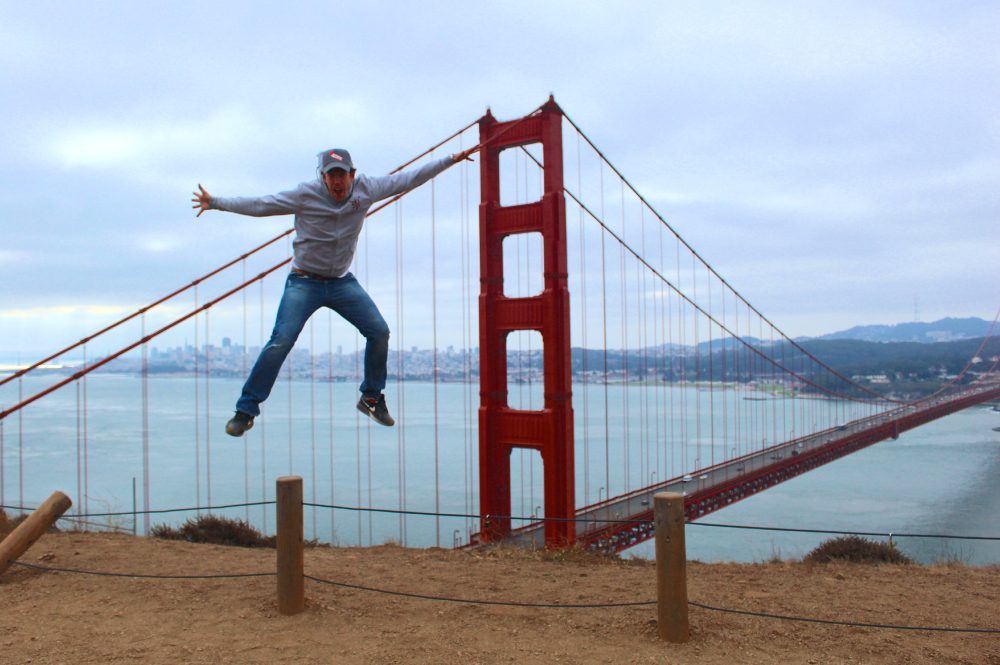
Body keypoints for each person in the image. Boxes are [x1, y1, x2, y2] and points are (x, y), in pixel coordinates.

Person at [193, 146, 477, 436]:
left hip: (341, 281)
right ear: (323, 177)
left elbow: (408, 179)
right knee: (281, 341)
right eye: (331, 176)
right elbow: (260, 205)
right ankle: (245, 411)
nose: (337, 182)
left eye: (342, 175)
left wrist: (449, 160)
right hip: (304, 281)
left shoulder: (368, 189)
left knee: (379, 331)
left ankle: (371, 398)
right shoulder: (305, 194)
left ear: (353, 175)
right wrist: (215, 202)